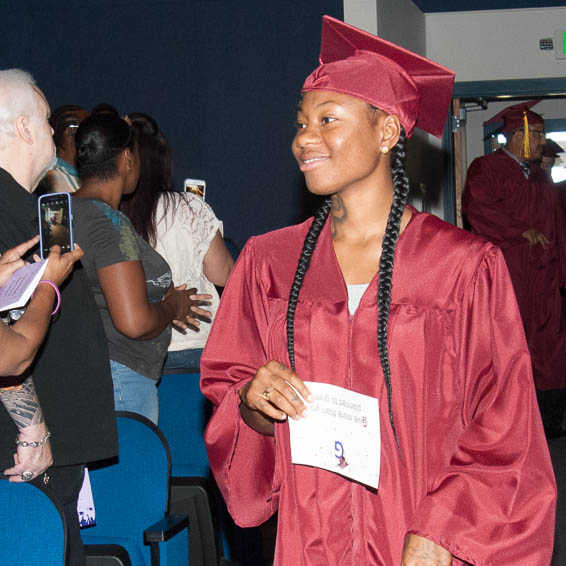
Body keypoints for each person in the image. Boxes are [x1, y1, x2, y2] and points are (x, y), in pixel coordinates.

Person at [200, 16, 556, 566]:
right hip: (310, 543)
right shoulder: (268, 264)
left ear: (387, 132)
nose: (304, 139)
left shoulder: (462, 268)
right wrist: (252, 403)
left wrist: (445, 526)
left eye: (327, 119)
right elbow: (231, 396)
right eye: (300, 122)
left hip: (421, 543)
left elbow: (506, 425)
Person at [0, 68, 118, 566]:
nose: (54, 133)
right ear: (24, 127)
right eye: (47, 120)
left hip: (53, 442)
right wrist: (34, 432)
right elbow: (9, 345)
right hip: (30, 452)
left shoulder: (24, 205)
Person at [72, 107, 212, 423]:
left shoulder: (60, 213)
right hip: (120, 378)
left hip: (76, 375)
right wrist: (171, 307)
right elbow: (133, 323)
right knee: (129, 473)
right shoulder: (109, 223)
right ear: (127, 159)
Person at [463, 101, 566, 438]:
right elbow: (478, 208)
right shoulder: (486, 168)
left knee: (550, 347)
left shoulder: (540, 176)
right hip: (511, 274)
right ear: (517, 135)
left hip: (545, 277)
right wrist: (520, 232)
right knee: (509, 345)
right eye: (537, 135)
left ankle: (548, 423)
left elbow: (556, 226)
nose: (541, 142)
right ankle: (509, 423)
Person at [120, 112, 234, 371]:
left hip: (133, 353)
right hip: (195, 345)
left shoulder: (109, 215)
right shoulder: (190, 207)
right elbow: (224, 274)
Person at [37, 104, 89, 195]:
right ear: (70, 132)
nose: (92, 134)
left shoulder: (81, 175)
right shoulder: (54, 179)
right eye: (88, 129)